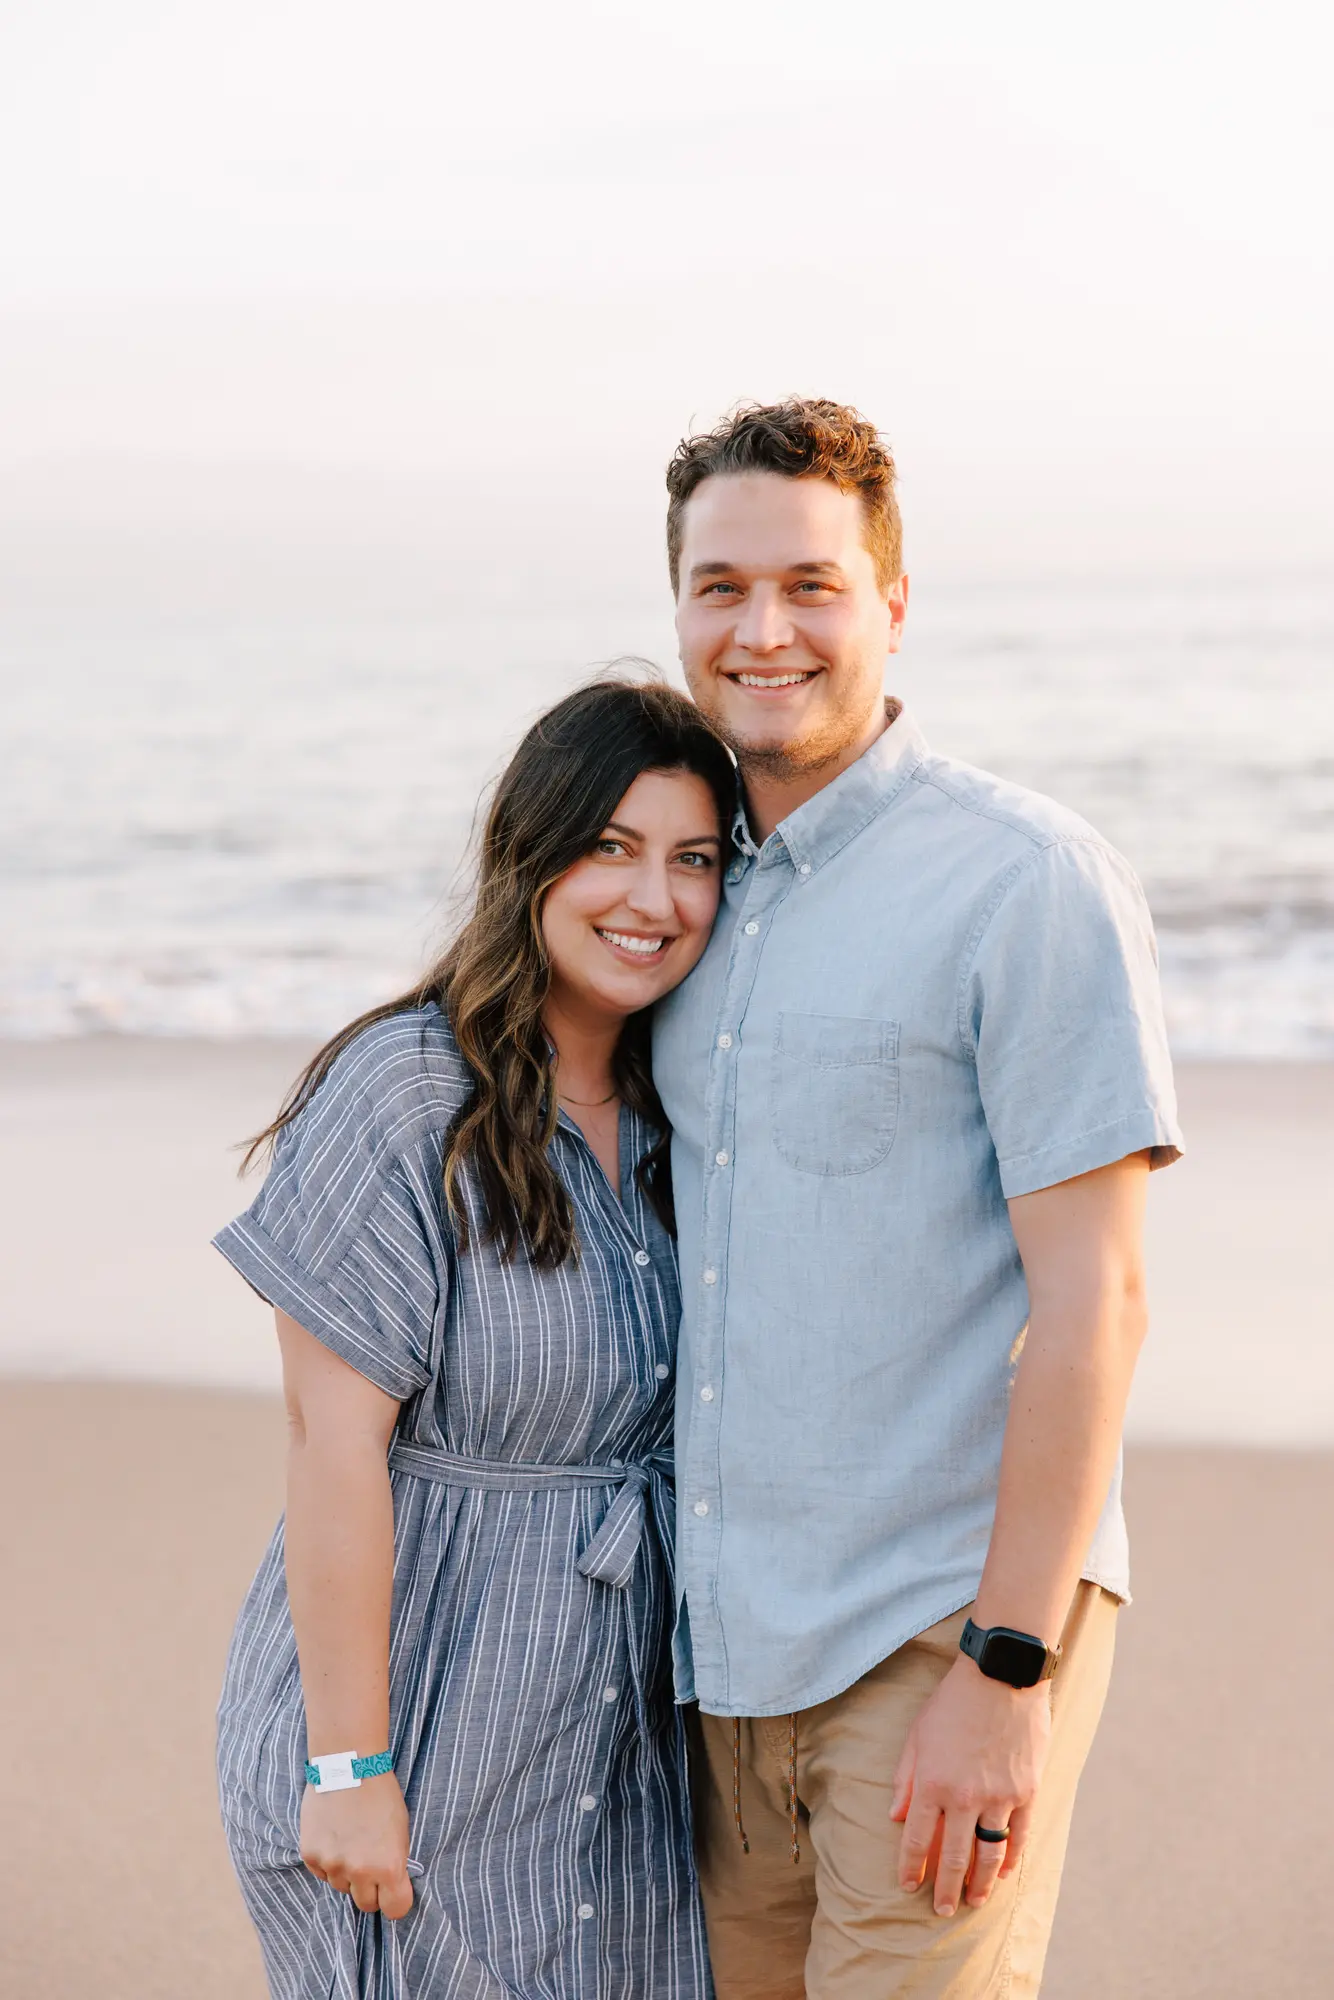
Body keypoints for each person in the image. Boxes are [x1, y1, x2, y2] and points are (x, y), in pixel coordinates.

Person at [651, 398, 1184, 1998]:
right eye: (720, 587)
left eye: (809, 586)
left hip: (933, 1632)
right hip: (714, 1661)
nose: (762, 631)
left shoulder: (1024, 882)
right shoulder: (669, 897)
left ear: (890, 602)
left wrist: (1005, 1668)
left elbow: (1098, 1300)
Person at [212, 678, 737, 2000]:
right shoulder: (406, 1089)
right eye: (611, 846)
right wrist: (351, 1766)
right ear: (530, 853)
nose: (654, 898)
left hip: (619, 1747)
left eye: (693, 859)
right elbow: (329, 1446)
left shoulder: (687, 1107)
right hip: (421, 1723)